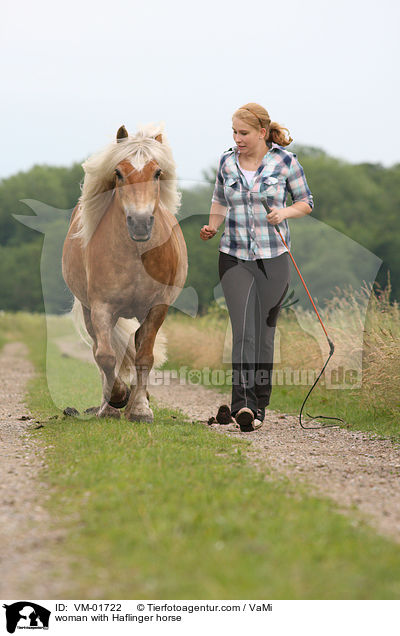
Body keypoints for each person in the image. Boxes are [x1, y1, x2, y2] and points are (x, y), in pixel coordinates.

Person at [200, 102, 314, 432]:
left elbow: (306, 202)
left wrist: (284, 213)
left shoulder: (285, 161)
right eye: (234, 132)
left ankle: (260, 404)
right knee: (243, 332)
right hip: (234, 256)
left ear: (262, 133)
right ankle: (243, 405)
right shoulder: (227, 162)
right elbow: (219, 199)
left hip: (274, 257)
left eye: (244, 133)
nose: (237, 138)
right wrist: (213, 226)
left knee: (264, 335)